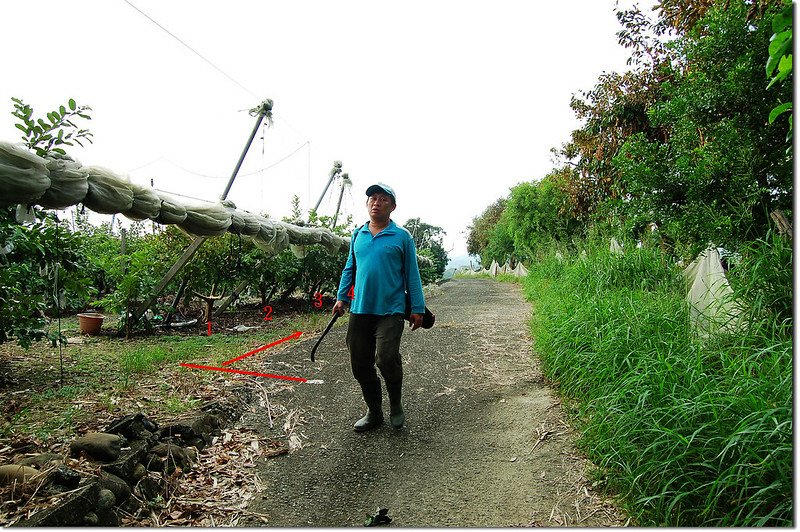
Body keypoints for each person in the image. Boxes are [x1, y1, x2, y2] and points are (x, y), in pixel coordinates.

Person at [332, 182, 426, 432]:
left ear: (392, 207)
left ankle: (395, 403)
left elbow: (412, 274)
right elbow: (349, 267)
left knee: (385, 359)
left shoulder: (402, 236)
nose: (376, 202)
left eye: (383, 199)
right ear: (367, 204)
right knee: (360, 364)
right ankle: (374, 412)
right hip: (361, 310)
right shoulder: (357, 234)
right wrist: (342, 297)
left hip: (391, 310)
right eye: (372, 198)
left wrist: (417, 307)